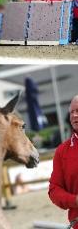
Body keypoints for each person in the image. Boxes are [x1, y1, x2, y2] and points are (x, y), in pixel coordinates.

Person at [49, 95, 78, 228]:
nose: (74, 115)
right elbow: (54, 190)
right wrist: (75, 200)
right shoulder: (62, 151)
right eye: (72, 112)